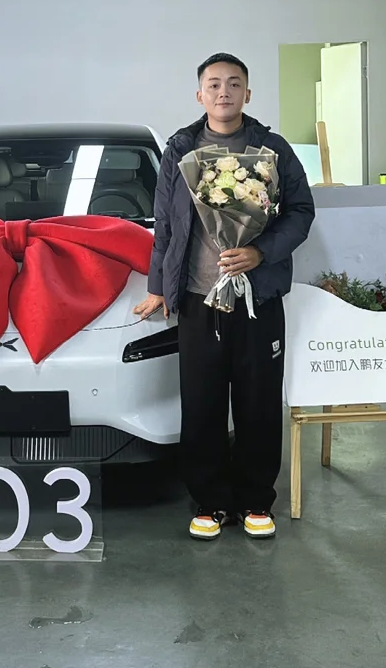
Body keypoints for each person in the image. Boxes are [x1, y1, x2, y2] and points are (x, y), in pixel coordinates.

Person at [134, 53, 314, 541]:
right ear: (200, 94)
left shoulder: (273, 149)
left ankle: (256, 499)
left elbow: (300, 211)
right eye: (213, 84)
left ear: (248, 94)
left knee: (258, 401)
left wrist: (260, 252)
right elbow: (165, 224)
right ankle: (210, 502)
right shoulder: (180, 149)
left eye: (234, 84)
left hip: (259, 297)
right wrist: (158, 286)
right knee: (202, 402)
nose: (223, 92)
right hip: (199, 298)